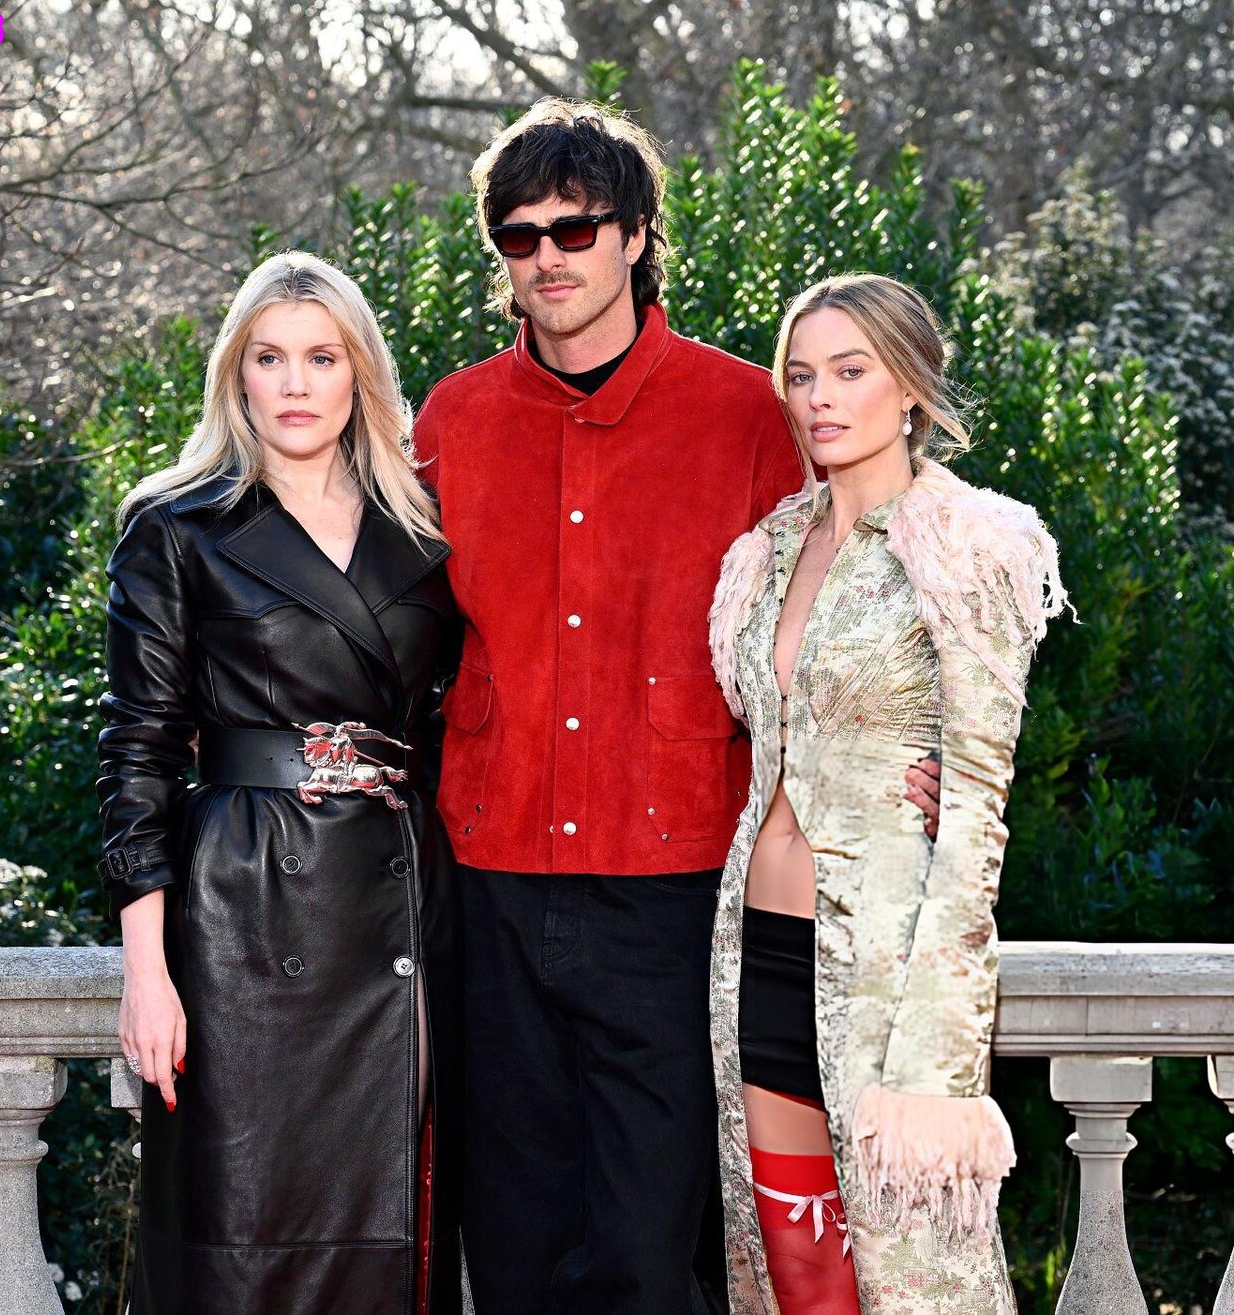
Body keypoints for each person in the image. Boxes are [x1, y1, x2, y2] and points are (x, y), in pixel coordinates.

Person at [410, 101, 939, 1314]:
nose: (547, 256)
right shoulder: (452, 420)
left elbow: (866, 574)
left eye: (576, 229)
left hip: (676, 888)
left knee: (653, 1249)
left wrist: (913, 753)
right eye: (518, 235)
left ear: (637, 236)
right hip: (489, 879)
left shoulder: (749, 413)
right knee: (515, 1239)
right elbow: (391, 627)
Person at [98, 251, 464, 1314]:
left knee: (390, 1236)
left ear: (361, 374)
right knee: (239, 1229)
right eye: (269, 358)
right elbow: (137, 751)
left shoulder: (422, 525)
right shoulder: (177, 524)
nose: (295, 383)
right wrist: (146, 971)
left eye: (322, 357)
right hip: (242, 914)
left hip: (397, 902)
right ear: (237, 374)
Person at [706, 274, 1067, 1313]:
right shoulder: (770, 550)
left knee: (915, 1277)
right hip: (753, 947)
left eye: (850, 370)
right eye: (802, 374)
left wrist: (938, 1046)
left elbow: (978, 805)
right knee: (794, 1267)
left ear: (908, 385)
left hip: (886, 970)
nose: (821, 396)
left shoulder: (965, 544)